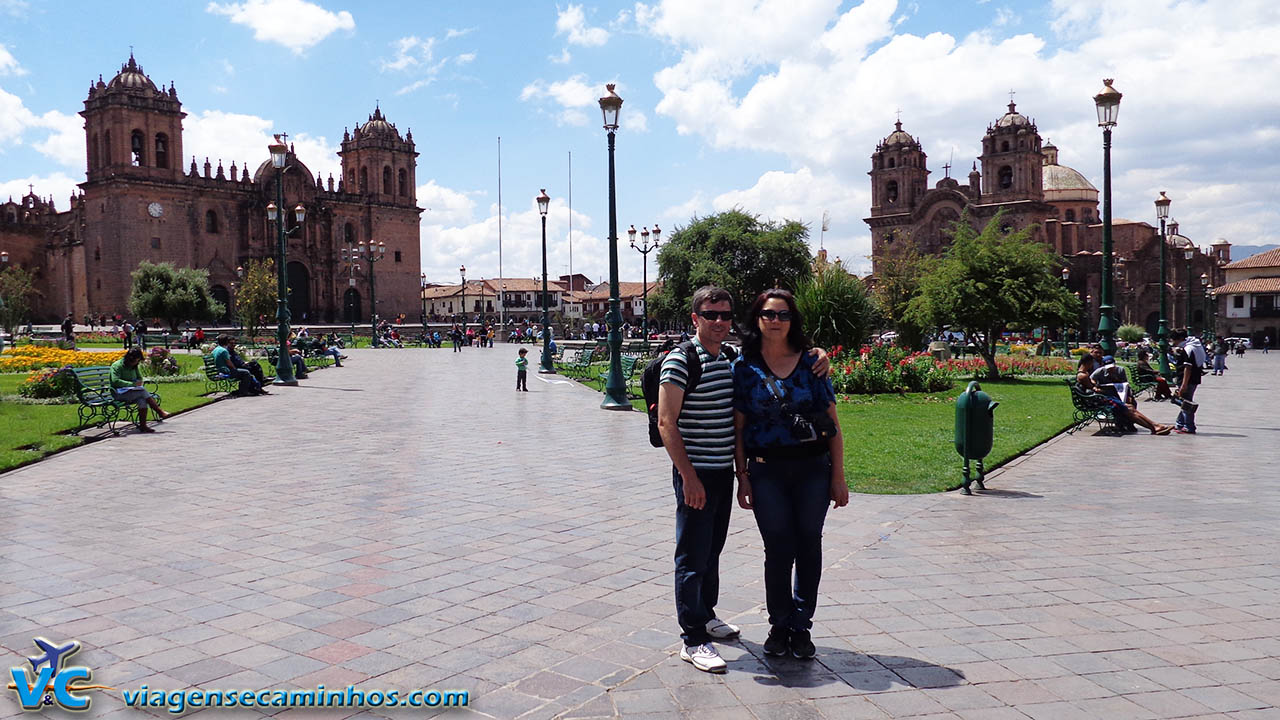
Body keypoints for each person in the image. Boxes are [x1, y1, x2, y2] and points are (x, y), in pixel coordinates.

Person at [733, 289, 848, 660]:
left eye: (783, 315)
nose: (776, 321)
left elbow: (833, 424)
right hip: (766, 471)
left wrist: (838, 477)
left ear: (793, 320)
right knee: (778, 549)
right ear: (758, 319)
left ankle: (801, 626)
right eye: (769, 314)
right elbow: (738, 428)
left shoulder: (812, 363)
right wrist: (743, 476)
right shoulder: (744, 368)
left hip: (813, 468)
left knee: (808, 544)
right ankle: (779, 622)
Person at [1090, 356, 1172, 435]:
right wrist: (1095, 386)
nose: (1111, 369)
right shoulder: (1099, 372)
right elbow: (1091, 381)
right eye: (1108, 368)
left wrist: (1128, 395)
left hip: (1120, 394)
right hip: (1109, 397)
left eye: (1112, 367)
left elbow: (1126, 385)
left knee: (1132, 403)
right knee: (1129, 409)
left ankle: (1152, 426)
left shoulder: (1120, 370)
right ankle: (1154, 426)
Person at [110, 348, 170, 431]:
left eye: (138, 361)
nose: (136, 363)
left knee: (142, 400)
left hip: (131, 391)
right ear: (129, 359)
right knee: (142, 392)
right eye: (135, 361)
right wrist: (132, 384)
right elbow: (115, 381)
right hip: (118, 393)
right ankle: (159, 411)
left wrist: (138, 382)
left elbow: (139, 377)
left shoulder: (134, 366)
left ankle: (143, 426)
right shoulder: (117, 366)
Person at [1172, 330, 1203, 434]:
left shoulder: (1188, 349)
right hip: (1194, 378)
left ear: (1179, 339)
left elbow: (1187, 368)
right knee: (1186, 402)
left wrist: (1184, 385)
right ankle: (1179, 424)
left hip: (1187, 380)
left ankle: (1189, 426)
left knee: (1187, 404)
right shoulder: (1194, 346)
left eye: (1173, 339)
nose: (1173, 342)